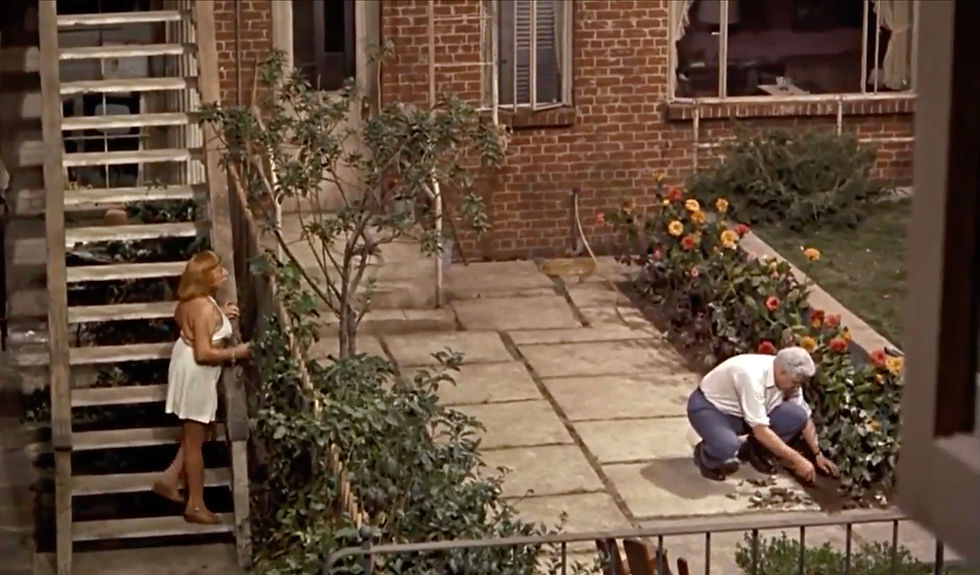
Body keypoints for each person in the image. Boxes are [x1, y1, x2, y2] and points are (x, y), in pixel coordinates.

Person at [152, 250, 251, 524]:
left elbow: (187, 319)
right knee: (195, 443)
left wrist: (221, 315)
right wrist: (238, 352)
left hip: (184, 364)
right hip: (196, 372)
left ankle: (169, 479)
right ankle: (195, 505)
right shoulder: (205, 308)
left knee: (199, 432)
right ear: (204, 277)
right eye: (218, 270)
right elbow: (203, 354)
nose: (224, 273)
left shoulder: (192, 301)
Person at [687, 347, 839, 482]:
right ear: (782, 372)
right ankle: (706, 456)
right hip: (710, 409)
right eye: (795, 382)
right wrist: (798, 460)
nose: (797, 386)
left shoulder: (788, 375)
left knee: (796, 415)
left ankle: (755, 452)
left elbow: (804, 417)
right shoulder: (751, 375)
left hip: (744, 413)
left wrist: (818, 454)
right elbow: (760, 430)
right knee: (727, 445)